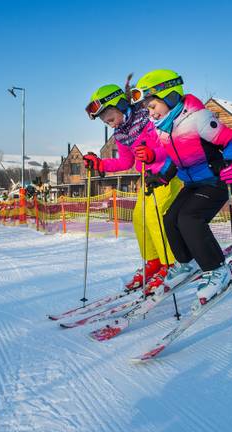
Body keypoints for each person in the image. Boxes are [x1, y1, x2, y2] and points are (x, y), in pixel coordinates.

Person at [131, 69, 232, 305]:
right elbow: (173, 157)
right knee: (170, 218)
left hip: (216, 181)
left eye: (152, 106)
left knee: (190, 219)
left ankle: (219, 270)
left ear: (170, 96)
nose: (150, 113)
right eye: (148, 109)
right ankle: (186, 263)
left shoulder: (198, 118)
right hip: (192, 183)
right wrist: (161, 177)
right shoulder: (164, 126)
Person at [84, 82, 183, 293]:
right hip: (148, 178)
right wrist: (100, 164)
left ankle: (171, 264)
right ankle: (154, 261)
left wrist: (153, 154)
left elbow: (171, 143)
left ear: (120, 105)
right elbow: (125, 162)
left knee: (153, 216)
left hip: (168, 173)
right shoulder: (121, 133)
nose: (110, 124)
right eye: (105, 122)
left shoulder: (148, 117)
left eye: (110, 118)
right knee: (139, 217)